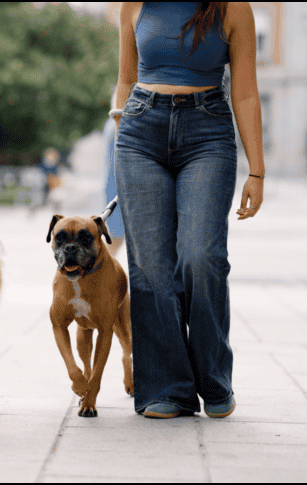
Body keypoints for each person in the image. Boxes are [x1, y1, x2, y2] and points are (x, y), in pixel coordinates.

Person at [114, 2, 264, 419]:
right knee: (150, 267)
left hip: (208, 131)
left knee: (201, 257)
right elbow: (125, 80)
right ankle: (169, 388)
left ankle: (214, 381)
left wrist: (258, 171)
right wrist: (119, 127)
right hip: (139, 131)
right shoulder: (135, 4)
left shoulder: (233, 8)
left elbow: (247, 91)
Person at [102, 91, 125, 257]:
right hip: (119, 190)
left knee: (115, 239)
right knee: (115, 239)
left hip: (115, 189)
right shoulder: (117, 126)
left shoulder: (111, 125)